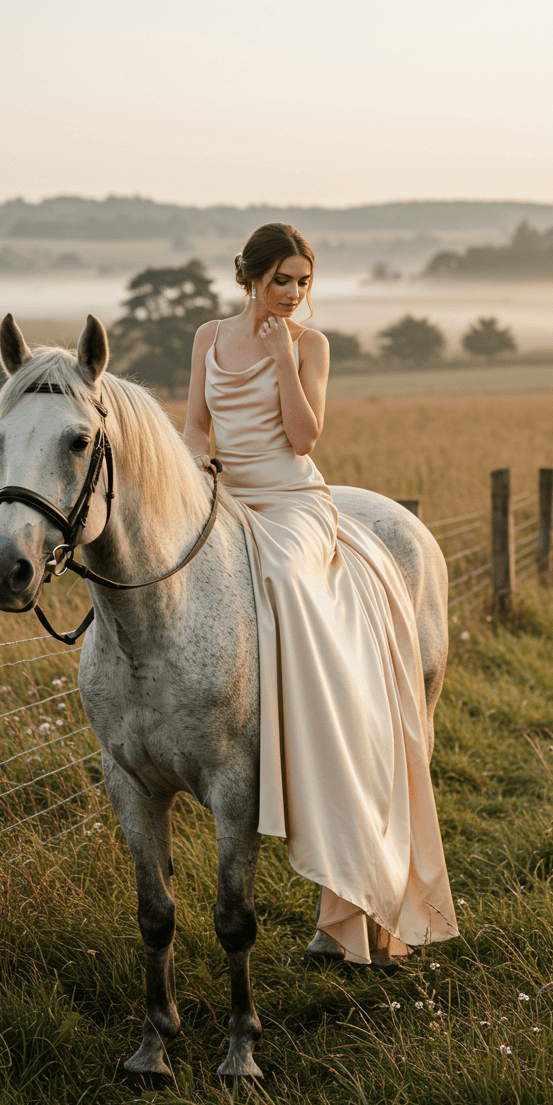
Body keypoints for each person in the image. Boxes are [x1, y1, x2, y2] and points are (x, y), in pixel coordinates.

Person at [182, 222, 456, 966]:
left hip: (294, 502)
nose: (293, 294)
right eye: (281, 281)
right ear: (250, 279)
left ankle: (320, 709)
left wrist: (282, 360)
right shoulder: (208, 337)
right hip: (229, 498)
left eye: (303, 281)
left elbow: (305, 439)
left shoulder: (310, 345)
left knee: (282, 579)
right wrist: (199, 468)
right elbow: (195, 427)